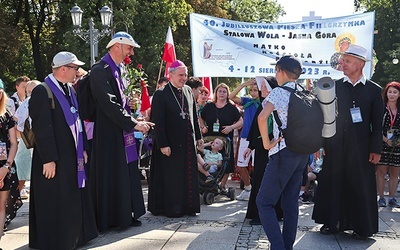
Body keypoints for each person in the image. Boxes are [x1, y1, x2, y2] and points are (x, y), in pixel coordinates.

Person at [312, 44, 383, 240]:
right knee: (333, 182)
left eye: (348, 61)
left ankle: (362, 226)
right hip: (335, 145)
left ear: (360, 64)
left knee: (360, 185)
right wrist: (322, 143)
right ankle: (332, 222)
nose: (342, 64)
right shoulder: (334, 87)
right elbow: (324, 117)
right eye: (343, 60)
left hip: (361, 148)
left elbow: (377, 124)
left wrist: (376, 149)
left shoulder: (373, 90)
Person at [29, 51, 98, 249]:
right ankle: (57, 239)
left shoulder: (71, 89)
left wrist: (83, 147)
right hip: (54, 158)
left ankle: (75, 236)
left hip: (72, 156)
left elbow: (79, 119)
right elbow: (42, 128)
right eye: (75, 68)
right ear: (63, 69)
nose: (78, 72)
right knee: (55, 199)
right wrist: (48, 159)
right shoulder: (42, 91)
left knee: (71, 196)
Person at [89, 32, 152, 232]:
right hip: (108, 133)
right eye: (130, 47)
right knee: (112, 173)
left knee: (125, 172)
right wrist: (132, 123)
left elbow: (119, 103)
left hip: (121, 130)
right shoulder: (100, 70)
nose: (132, 52)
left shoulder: (118, 69)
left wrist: (134, 118)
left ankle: (125, 214)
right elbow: (108, 103)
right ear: (117, 46)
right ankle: (110, 218)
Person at [257, 55, 310, 249]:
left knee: (263, 202)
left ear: (280, 71)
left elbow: (262, 118)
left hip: (283, 151)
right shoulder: (305, 92)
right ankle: (287, 246)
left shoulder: (279, 92)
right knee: (290, 204)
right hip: (302, 153)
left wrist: (266, 143)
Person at [148, 60, 202, 217]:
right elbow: (157, 122)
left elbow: (193, 116)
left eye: (185, 75)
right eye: (180, 75)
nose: (184, 78)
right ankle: (174, 208)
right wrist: (163, 144)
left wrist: (198, 137)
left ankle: (188, 207)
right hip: (170, 144)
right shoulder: (161, 94)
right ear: (170, 75)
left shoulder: (187, 91)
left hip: (187, 143)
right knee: (173, 178)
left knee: (188, 176)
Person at [243, 76, 282, 225]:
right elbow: (255, 128)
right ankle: (258, 213)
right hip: (261, 151)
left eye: (266, 87)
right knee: (259, 180)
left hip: (275, 150)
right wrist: (250, 146)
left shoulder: (277, 104)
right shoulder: (262, 105)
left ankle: (272, 214)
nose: (263, 90)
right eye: (262, 87)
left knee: (272, 182)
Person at [199, 83, 243, 191]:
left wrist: (231, 127)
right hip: (209, 138)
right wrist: (203, 126)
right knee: (205, 158)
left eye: (224, 91)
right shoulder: (209, 106)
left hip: (225, 139)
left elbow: (241, 121)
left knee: (225, 162)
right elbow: (200, 117)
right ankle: (206, 180)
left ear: (227, 93)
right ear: (216, 93)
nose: (222, 94)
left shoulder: (231, 108)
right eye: (220, 91)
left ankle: (222, 186)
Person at [229, 78, 260, 201]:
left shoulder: (266, 103)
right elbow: (231, 96)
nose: (252, 93)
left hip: (258, 138)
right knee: (241, 165)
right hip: (245, 137)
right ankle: (248, 188)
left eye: (255, 90)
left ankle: (258, 191)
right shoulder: (247, 101)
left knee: (258, 166)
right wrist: (244, 85)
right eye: (251, 90)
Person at [376, 81, 400, 208]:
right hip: (383, 142)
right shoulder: (381, 108)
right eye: (389, 92)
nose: (392, 94)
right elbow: (375, 127)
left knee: (395, 172)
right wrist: (385, 139)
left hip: (397, 144)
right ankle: (381, 197)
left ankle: (392, 198)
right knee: (381, 171)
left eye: (395, 92)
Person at [7, 76, 31, 200]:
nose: (25, 89)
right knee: (20, 167)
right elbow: (10, 120)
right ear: (17, 87)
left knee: (25, 167)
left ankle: (18, 193)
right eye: (23, 87)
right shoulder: (11, 101)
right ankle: (15, 196)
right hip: (17, 139)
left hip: (24, 138)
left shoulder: (26, 100)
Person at [0, 86, 18, 246]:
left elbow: (13, 142)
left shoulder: (7, 116)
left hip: (5, 166)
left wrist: (7, 166)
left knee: (1, 205)